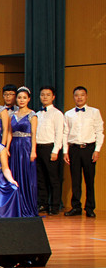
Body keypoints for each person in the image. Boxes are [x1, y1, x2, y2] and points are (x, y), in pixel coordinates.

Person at [63, 86, 103, 218]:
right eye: (76, 95)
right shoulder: (68, 114)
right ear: (73, 97)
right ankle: (76, 207)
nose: (79, 97)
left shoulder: (94, 112)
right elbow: (65, 133)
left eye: (82, 95)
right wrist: (65, 151)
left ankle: (90, 207)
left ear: (86, 96)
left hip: (89, 148)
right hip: (74, 149)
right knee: (75, 180)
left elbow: (99, 132)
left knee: (89, 179)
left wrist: (97, 150)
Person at [35, 85, 65, 215]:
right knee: (41, 178)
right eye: (42, 95)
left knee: (53, 179)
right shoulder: (37, 114)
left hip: (50, 148)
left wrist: (55, 150)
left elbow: (59, 133)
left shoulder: (57, 114)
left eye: (48, 95)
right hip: (38, 147)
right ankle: (43, 203)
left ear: (53, 97)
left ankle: (55, 205)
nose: (45, 97)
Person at [10, 86, 38, 217]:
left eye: (24, 98)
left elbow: (34, 134)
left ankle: (27, 205)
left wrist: (33, 150)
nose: (21, 100)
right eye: (19, 97)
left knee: (26, 175)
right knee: (15, 173)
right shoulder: (12, 115)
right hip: (14, 146)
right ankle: (17, 206)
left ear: (29, 99)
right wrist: (7, 148)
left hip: (26, 146)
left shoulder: (32, 115)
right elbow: (9, 133)